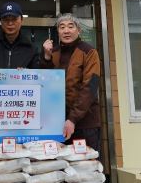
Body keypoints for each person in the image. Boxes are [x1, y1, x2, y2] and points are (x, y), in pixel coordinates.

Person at [41, 13, 101, 153]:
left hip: (85, 123)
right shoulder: (53, 52)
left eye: (70, 26)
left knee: (87, 168)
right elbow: (46, 83)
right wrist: (46, 58)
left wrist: (72, 119)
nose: (66, 30)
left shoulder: (89, 52)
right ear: (58, 31)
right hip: (57, 123)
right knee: (59, 169)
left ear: (78, 30)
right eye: (62, 27)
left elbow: (90, 87)